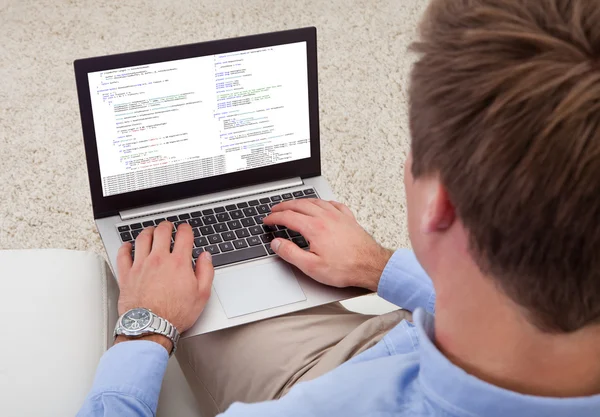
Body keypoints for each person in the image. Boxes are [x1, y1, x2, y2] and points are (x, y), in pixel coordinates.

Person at [77, 0, 600, 415]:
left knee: (180, 269)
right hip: (407, 334)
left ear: (437, 207)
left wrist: (145, 327)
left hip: (321, 374)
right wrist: (377, 267)